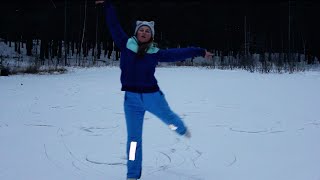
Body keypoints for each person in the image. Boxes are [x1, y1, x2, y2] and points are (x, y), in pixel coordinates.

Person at [97, 1, 213, 179]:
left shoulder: (155, 52)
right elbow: (113, 24)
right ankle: (132, 175)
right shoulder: (125, 44)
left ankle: (179, 128)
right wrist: (107, 5)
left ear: (151, 36)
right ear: (136, 32)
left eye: (147, 31)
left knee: (169, 120)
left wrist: (200, 51)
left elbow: (178, 53)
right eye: (141, 30)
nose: (144, 32)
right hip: (131, 101)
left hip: (153, 97)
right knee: (134, 140)